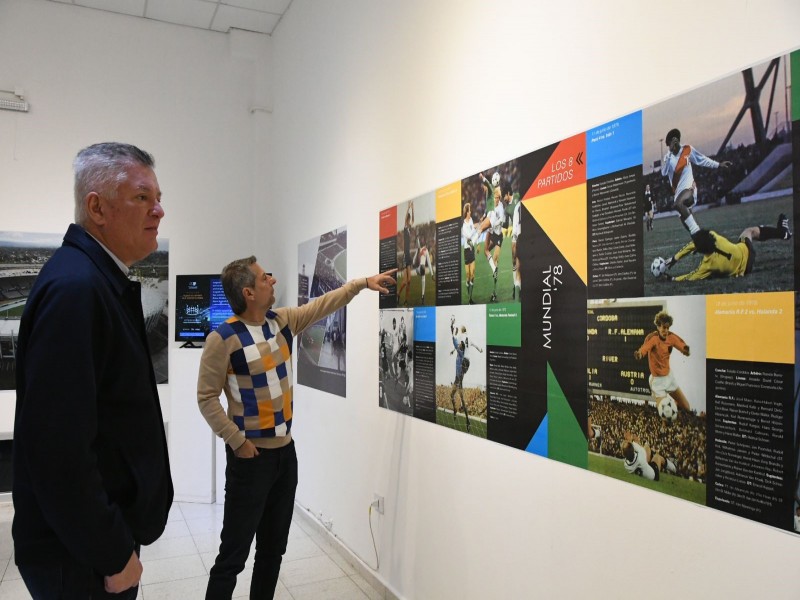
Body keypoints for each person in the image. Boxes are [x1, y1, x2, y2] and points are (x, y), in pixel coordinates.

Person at [12, 143, 173, 599]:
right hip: (80, 559)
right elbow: (58, 452)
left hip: (84, 548)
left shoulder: (91, 280)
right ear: (97, 208)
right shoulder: (77, 289)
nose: (159, 210)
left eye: (158, 197)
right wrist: (113, 553)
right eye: (142, 197)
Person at [197, 256, 396, 599]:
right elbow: (206, 398)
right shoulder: (223, 339)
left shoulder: (282, 321)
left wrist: (362, 283)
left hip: (284, 458)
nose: (272, 281)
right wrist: (237, 441)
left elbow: (323, 304)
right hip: (250, 460)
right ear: (248, 292)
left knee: (272, 552)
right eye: (264, 279)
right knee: (232, 556)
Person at [658, 214, 792, 281]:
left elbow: (690, 277)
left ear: (701, 250)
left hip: (745, 270)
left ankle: (782, 233)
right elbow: (696, 243)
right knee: (749, 232)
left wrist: (672, 278)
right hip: (746, 250)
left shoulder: (706, 265)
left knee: (713, 274)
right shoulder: (714, 236)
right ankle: (782, 233)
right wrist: (676, 257)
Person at [660, 128, 732, 235]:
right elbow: (664, 173)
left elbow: (702, 159)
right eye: (670, 144)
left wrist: (718, 165)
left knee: (678, 205)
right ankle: (700, 238)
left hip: (690, 189)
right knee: (688, 227)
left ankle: (698, 233)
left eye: (674, 141)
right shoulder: (668, 157)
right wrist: (670, 152)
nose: (672, 145)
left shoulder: (688, 149)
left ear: (677, 140)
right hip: (678, 193)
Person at [633, 310, 691, 418]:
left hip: (669, 377)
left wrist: (685, 350)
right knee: (666, 416)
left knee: (687, 407)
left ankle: (674, 407)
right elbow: (644, 348)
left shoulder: (671, 336)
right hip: (657, 382)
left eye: (668, 328)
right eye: (664, 327)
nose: (666, 330)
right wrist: (640, 354)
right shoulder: (653, 338)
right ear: (658, 327)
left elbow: (680, 344)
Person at [472, 171, 509, 302]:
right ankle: (494, 269)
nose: (495, 196)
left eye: (497, 194)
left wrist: (495, 223)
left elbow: (502, 221)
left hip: (498, 237)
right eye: (495, 194)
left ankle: (494, 291)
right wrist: (483, 217)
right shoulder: (492, 206)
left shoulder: (501, 209)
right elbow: (488, 212)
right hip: (491, 232)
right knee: (485, 250)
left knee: (496, 259)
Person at [397, 200, 415, 305]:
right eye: (408, 219)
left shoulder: (410, 228)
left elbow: (413, 219)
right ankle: (398, 294)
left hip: (409, 256)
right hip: (405, 256)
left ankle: (406, 301)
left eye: (408, 220)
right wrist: (408, 207)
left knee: (409, 281)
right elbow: (405, 219)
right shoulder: (405, 228)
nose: (409, 221)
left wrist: (413, 209)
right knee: (405, 281)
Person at [461, 202, 477, 304]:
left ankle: (470, 298)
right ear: (466, 212)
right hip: (467, 251)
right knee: (467, 275)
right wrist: (474, 228)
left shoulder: (471, 220)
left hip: (472, 249)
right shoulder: (463, 225)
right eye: (469, 210)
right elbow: (468, 236)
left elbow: (473, 235)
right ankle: (468, 295)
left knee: (473, 274)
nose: (470, 212)